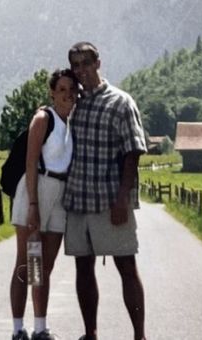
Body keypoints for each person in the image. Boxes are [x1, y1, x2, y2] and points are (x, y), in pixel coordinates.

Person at [63, 41, 148, 340]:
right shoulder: (74, 104)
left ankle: (139, 335)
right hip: (78, 200)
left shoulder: (121, 102)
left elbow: (133, 151)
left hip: (110, 199)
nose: (81, 70)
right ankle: (91, 334)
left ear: (98, 63)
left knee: (126, 264)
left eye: (86, 63)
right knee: (83, 269)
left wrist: (122, 197)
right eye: (76, 65)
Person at [9, 68, 78, 340]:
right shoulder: (43, 118)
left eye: (71, 89)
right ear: (52, 92)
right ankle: (17, 329)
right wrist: (34, 205)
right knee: (26, 264)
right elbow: (30, 161)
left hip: (59, 193)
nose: (67, 94)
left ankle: (40, 328)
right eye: (61, 89)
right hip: (35, 189)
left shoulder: (72, 121)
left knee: (44, 267)